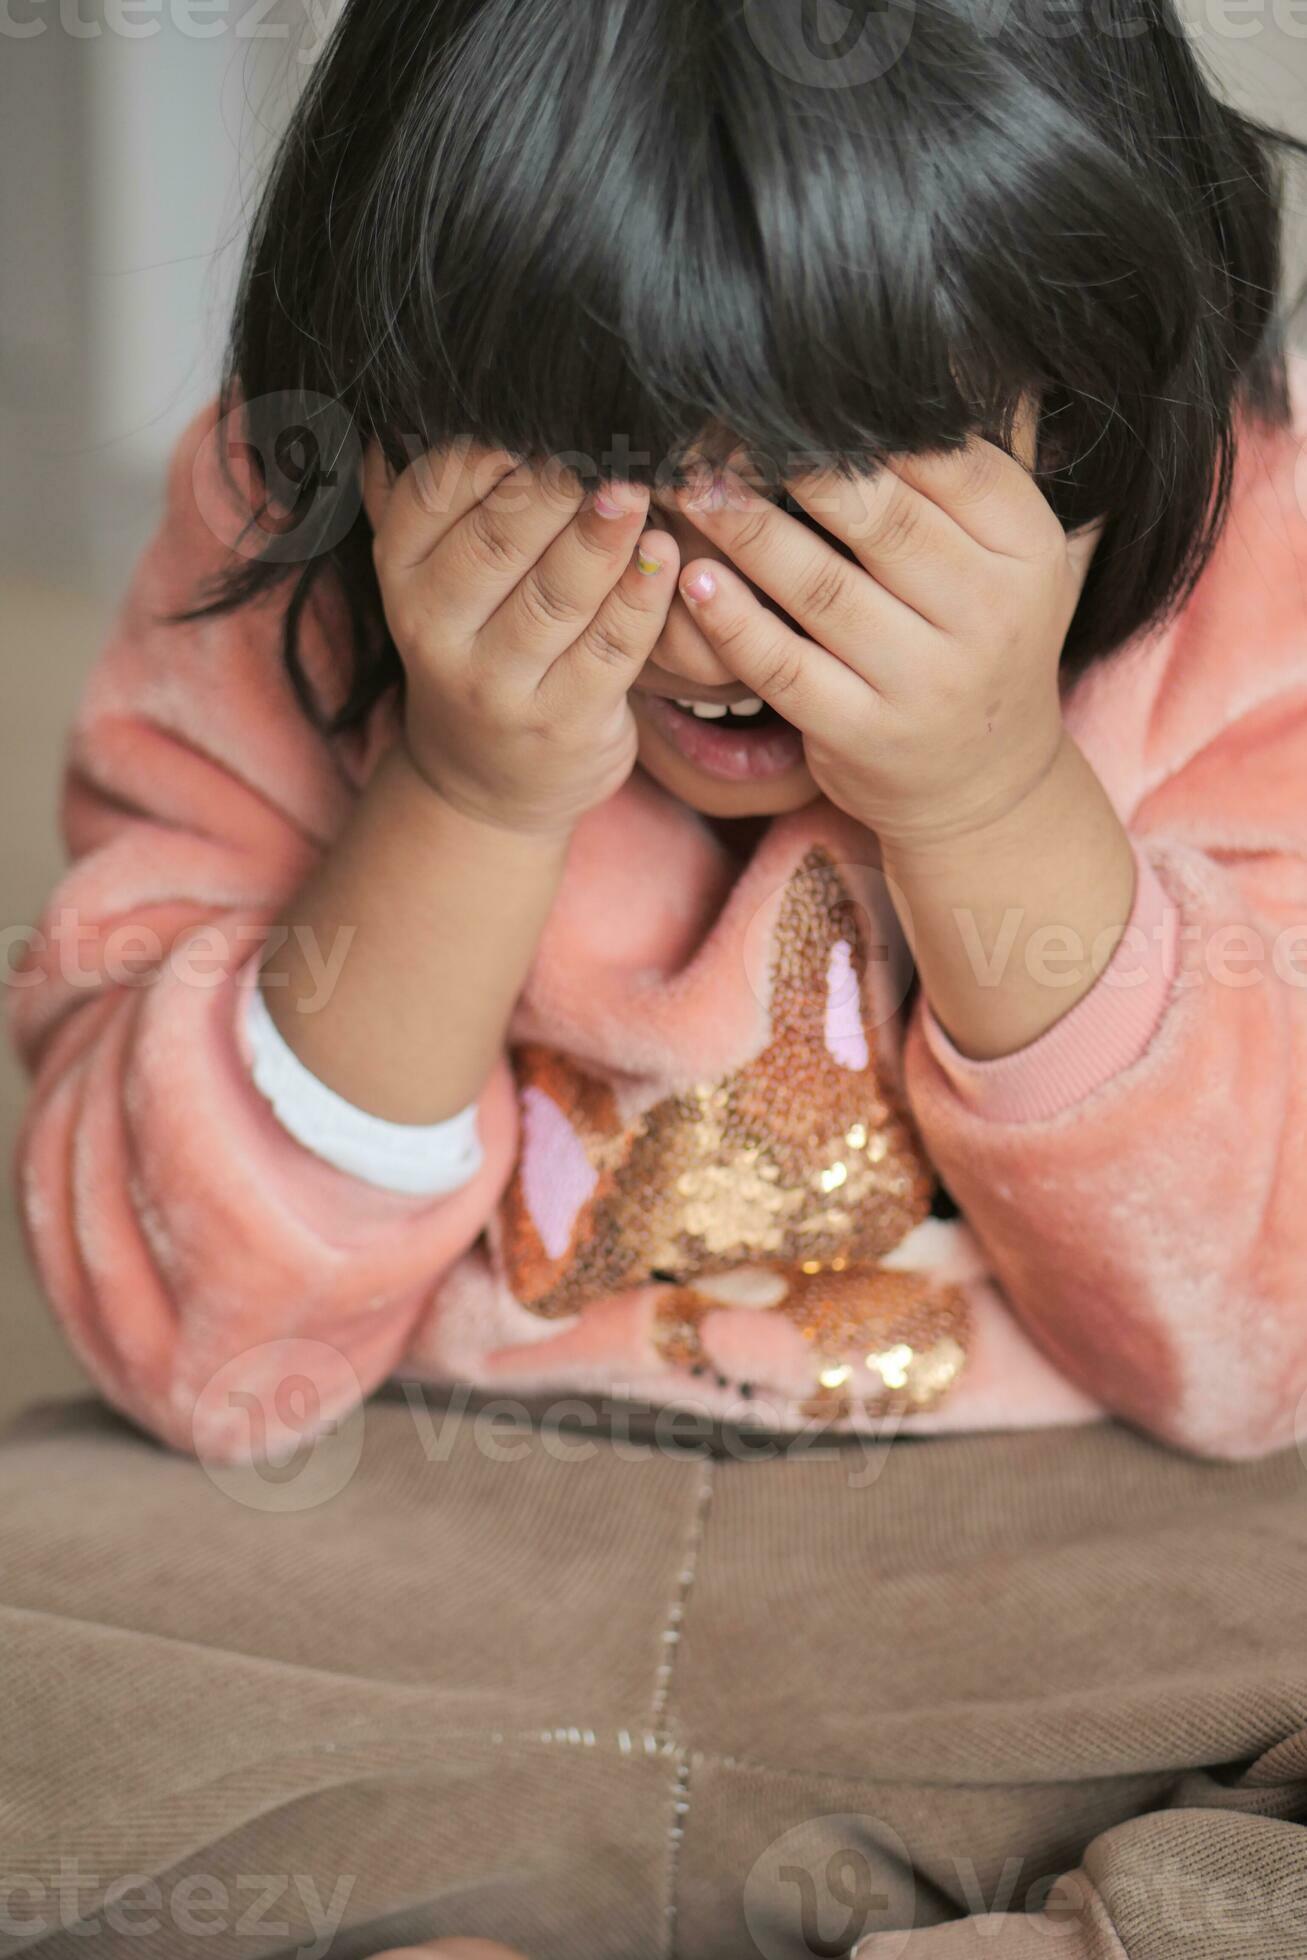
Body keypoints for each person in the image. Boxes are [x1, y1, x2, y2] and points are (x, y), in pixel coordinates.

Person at [8, 0, 1307, 1952]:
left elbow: (1249, 1346)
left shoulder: (1246, 557)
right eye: (588, 467)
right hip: (386, 1540)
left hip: (1072, 1574)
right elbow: (202, 1347)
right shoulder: (282, 524)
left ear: (1105, 401)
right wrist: (463, 787)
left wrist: (989, 787)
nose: (711, 600)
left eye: (844, 482)